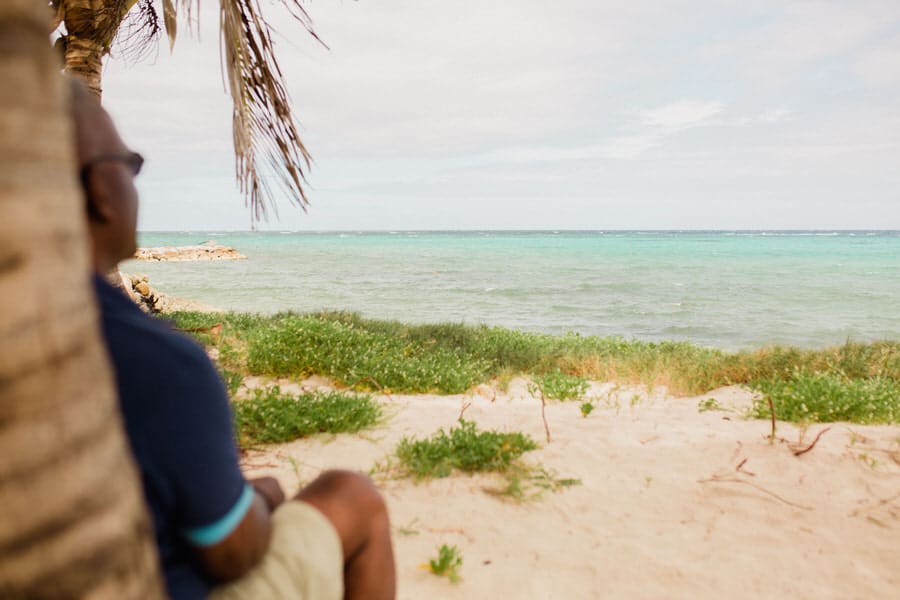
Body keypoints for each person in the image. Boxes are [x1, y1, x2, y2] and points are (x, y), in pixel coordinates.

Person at [71, 82, 396, 600]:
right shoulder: (161, 363)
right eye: (129, 165)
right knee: (353, 496)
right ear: (99, 193)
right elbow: (231, 552)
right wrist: (262, 496)